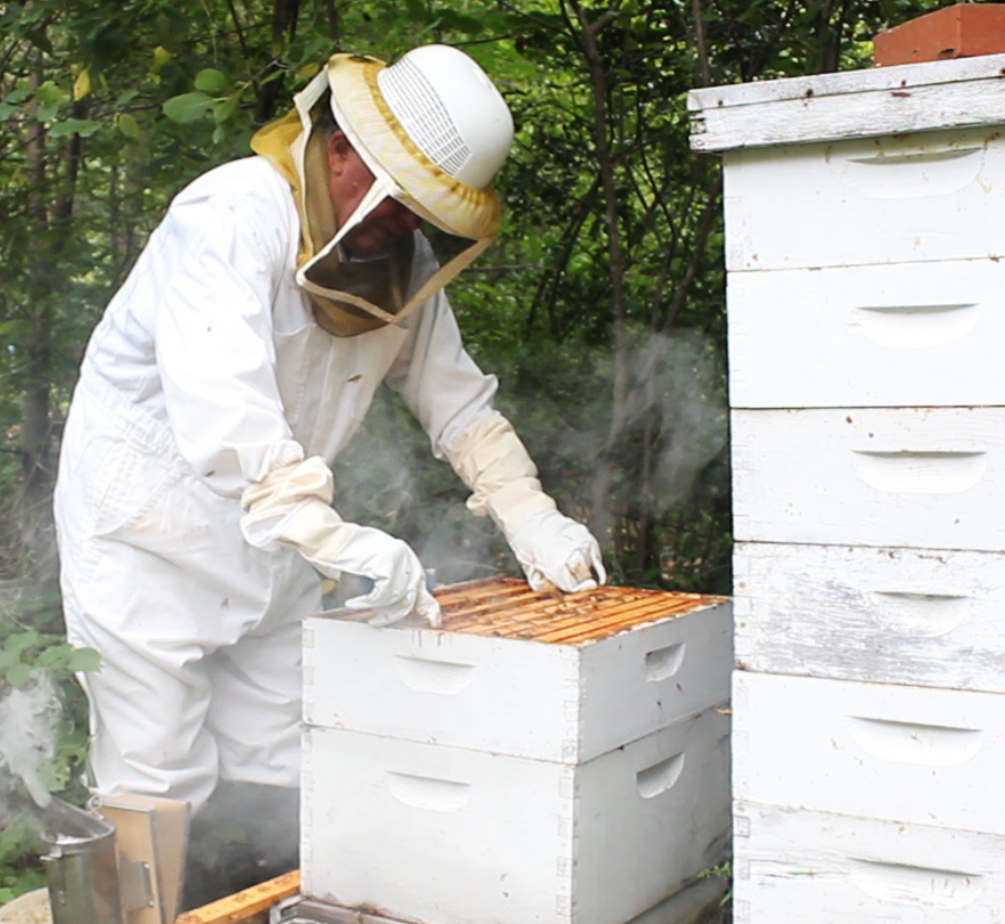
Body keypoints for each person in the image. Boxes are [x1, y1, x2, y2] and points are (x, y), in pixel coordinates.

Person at [52, 44, 606, 901]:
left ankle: (266, 912)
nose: (408, 227)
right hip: (145, 535)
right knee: (153, 769)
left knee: (291, 752)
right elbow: (223, 408)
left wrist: (530, 512)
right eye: (402, 202)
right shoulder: (231, 216)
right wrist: (334, 538)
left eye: (427, 213)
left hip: (280, 542)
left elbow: (458, 402)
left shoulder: (393, 264)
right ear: (343, 147)